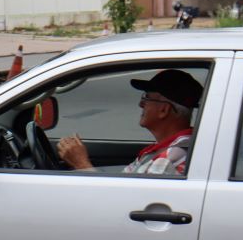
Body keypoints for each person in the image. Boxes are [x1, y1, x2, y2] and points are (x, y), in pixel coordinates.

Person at [57, 70, 204, 175]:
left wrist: (81, 164)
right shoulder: (166, 149)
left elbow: (124, 203)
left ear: (164, 110)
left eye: (146, 97)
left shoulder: (169, 157)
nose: (141, 104)